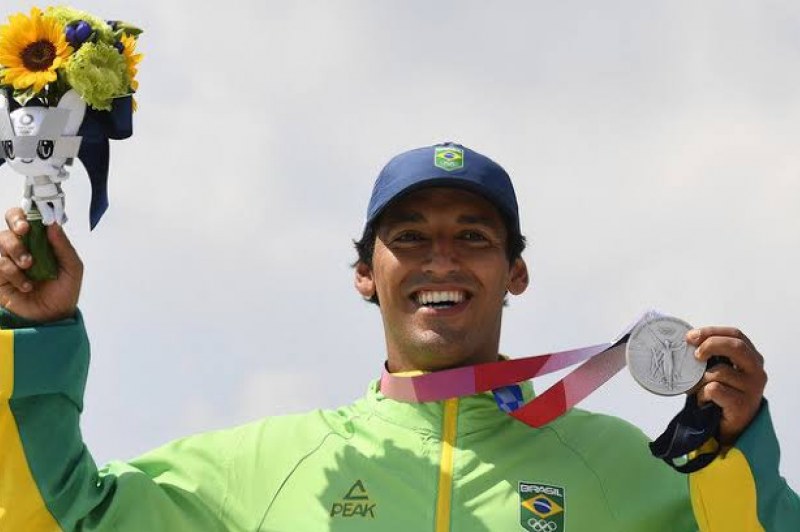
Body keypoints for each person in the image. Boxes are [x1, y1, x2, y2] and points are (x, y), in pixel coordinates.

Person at [0, 142, 797, 531]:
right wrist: (35, 338)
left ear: (516, 273)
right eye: (409, 237)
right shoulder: (270, 468)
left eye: (473, 236)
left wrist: (731, 445)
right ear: (364, 275)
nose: (440, 259)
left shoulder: (618, 467)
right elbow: (63, 518)